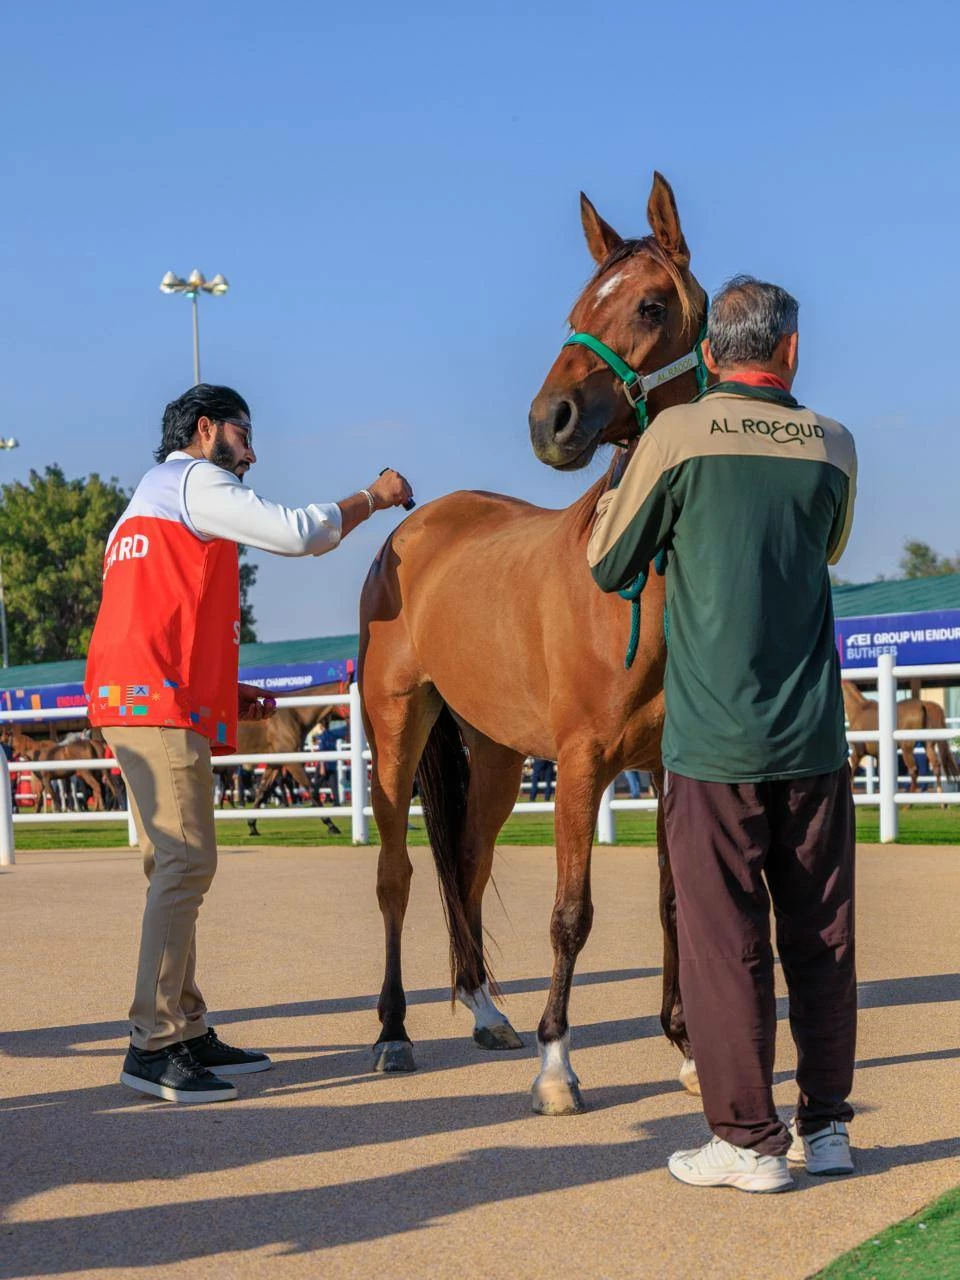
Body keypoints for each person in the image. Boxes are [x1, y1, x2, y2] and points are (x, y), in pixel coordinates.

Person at [588, 277, 857, 1193]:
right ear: (789, 353)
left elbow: (609, 562)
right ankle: (826, 1129)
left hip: (713, 743)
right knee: (822, 937)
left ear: (709, 355)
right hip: (814, 739)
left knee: (723, 940)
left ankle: (746, 1140)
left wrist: (619, 494)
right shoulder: (833, 443)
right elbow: (822, 551)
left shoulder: (674, 435)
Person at [84, 384, 413, 1104]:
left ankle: (187, 1024)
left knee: (173, 864)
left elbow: (154, 616)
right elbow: (302, 532)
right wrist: (375, 496)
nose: (252, 453)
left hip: (134, 696)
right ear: (205, 431)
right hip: (157, 705)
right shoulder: (194, 480)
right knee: (185, 861)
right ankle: (153, 1042)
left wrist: (225, 690)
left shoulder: (141, 506)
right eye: (243, 435)